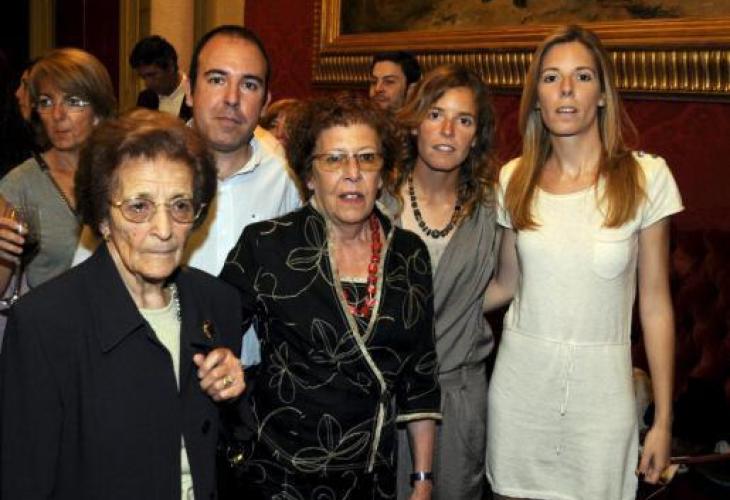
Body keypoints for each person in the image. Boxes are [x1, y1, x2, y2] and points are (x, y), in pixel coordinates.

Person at [0, 109, 245, 499]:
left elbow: (225, 453)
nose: (164, 230)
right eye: (139, 207)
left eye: (180, 206)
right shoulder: (45, 324)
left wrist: (234, 395)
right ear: (102, 217)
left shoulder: (217, 303)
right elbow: (23, 482)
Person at [484, 25, 683, 499]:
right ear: (537, 98)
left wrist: (663, 421)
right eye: (551, 77)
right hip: (519, 396)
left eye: (583, 76)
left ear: (603, 94)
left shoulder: (646, 176)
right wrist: (425, 302)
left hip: (603, 402)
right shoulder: (513, 178)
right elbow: (505, 286)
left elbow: (656, 306)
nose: (567, 89)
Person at [220, 94, 441, 500]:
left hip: (371, 478)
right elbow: (212, 332)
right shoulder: (267, 245)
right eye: (334, 159)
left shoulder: (409, 255)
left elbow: (421, 377)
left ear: (382, 173)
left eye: (367, 158)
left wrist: (423, 481)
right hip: (278, 475)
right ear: (309, 175)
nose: (352, 174)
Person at [73, 25, 301, 369]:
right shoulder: (136, 164)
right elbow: (85, 283)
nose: (232, 98)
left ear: (265, 102)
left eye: (249, 84)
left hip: (250, 379)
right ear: (190, 91)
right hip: (145, 369)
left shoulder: (287, 177)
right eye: (217, 79)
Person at [387, 64, 499, 500]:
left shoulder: (490, 207)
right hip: (385, 398)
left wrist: (459, 311)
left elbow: (509, 284)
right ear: (415, 122)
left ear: (476, 136)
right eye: (436, 114)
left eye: (463, 120)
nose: (448, 130)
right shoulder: (378, 199)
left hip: (459, 397)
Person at [0, 48, 116, 297]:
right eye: (46, 102)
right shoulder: (19, 185)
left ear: (98, 111)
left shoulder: (123, 173)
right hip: (50, 317)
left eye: (73, 101)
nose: (57, 115)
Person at [130, 35, 192, 120]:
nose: (147, 83)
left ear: (170, 67)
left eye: (152, 75)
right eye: (143, 77)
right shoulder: (145, 98)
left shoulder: (195, 94)